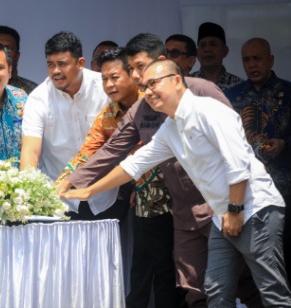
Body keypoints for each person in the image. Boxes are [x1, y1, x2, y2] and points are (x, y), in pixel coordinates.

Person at [62, 59, 291, 307]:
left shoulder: (210, 111)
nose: (148, 92)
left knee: (271, 292)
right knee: (216, 291)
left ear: (177, 80)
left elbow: (238, 165)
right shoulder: (170, 128)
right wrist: (90, 190)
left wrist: (235, 210)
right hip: (222, 216)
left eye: (153, 84)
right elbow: (134, 164)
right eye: (145, 87)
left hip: (256, 209)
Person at [57, 33, 232, 307]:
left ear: (162, 63)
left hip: (221, 204)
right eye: (133, 69)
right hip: (177, 209)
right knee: (189, 285)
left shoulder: (201, 91)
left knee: (241, 281)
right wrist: (76, 183)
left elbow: (234, 148)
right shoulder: (140, 109)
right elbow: (113, 153)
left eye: (139, 67)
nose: (137, 76)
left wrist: (235, 205)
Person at [54, 46, 177, 308]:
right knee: (142, 264)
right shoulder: (108, 115)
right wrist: (64, 182)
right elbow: (89, 154)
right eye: (103, 79)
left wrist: (141, 181)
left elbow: (159, 150)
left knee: (169, 266)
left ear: (132, 75)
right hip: (141, 197)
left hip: (176, 194)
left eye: (115, 77)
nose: (109, 85)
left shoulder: (155, 100)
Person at [20, 30, 110, 216]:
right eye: (50, 65)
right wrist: (26, 192)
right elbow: (31, 150)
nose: (56, 71)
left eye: (62, 64)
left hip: (105, 194)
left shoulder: (104, 88)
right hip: (59, 199)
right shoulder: (39, 98)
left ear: (80, 63)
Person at [225, 37, 291, 283]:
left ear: (271, 60)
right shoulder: (231, 97)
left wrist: (285, 144)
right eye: (246, 59)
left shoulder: (289, 93)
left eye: (258, 58)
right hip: (244, 194)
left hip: (284, 191)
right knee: (246, 263)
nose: (252, 64)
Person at [191, 22, 243, 91]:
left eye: (213, 44)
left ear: (224, 51)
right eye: (203, 45)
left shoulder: (239, 85)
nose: (207, 49)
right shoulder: (186, 84)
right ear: (197, 53)